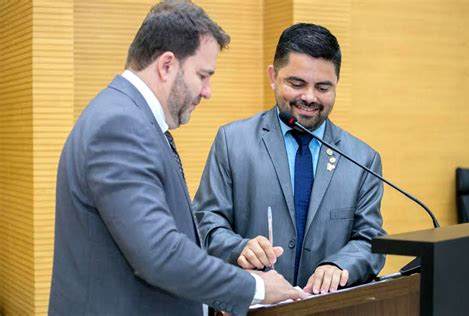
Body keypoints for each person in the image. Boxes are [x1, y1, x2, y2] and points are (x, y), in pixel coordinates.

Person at [48, 1, 304, 315]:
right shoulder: (120, 125)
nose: (208, 91)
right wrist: (258, 288)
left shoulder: (130, 117)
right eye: (203, 75)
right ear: (167, 65)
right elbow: (160, 255)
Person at [193, 23, 386, 295]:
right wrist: (239, 248)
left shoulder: (362, 159)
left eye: (322, 87)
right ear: (273, 76)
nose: (309, 97)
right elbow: (205, 223)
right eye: (296, 84)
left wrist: (339, 265)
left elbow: (371, 240)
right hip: (253, 306)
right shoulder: (232, 142)